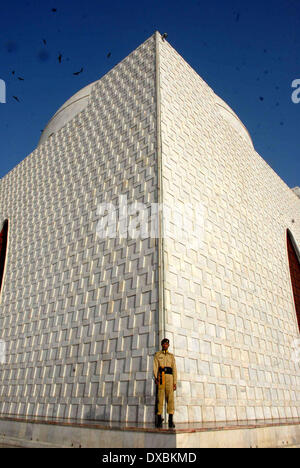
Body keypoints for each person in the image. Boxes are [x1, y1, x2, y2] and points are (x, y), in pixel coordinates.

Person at [153, 338, 177, 428]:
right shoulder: (157, 355)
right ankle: (159, 418)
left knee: (170, 398)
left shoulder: (171, 356)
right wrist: (156, 377)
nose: (165, 345)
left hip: (169, 377)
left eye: (166, 344)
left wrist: (174, 382)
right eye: (163, 344)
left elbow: (174, 369)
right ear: (161, 345)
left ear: (168, 345)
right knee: (160, 397)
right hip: (161, 376)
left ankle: (170, 419)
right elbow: (155, 367)